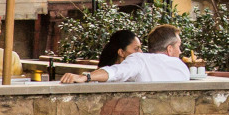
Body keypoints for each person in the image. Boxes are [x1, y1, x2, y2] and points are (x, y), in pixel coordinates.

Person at [61, 24, 189, 84]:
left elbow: (117, 71)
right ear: (170, 49)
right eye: (179, 46)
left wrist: (86, 77)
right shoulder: (182, 68)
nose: (181, 51)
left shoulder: (140, 60)